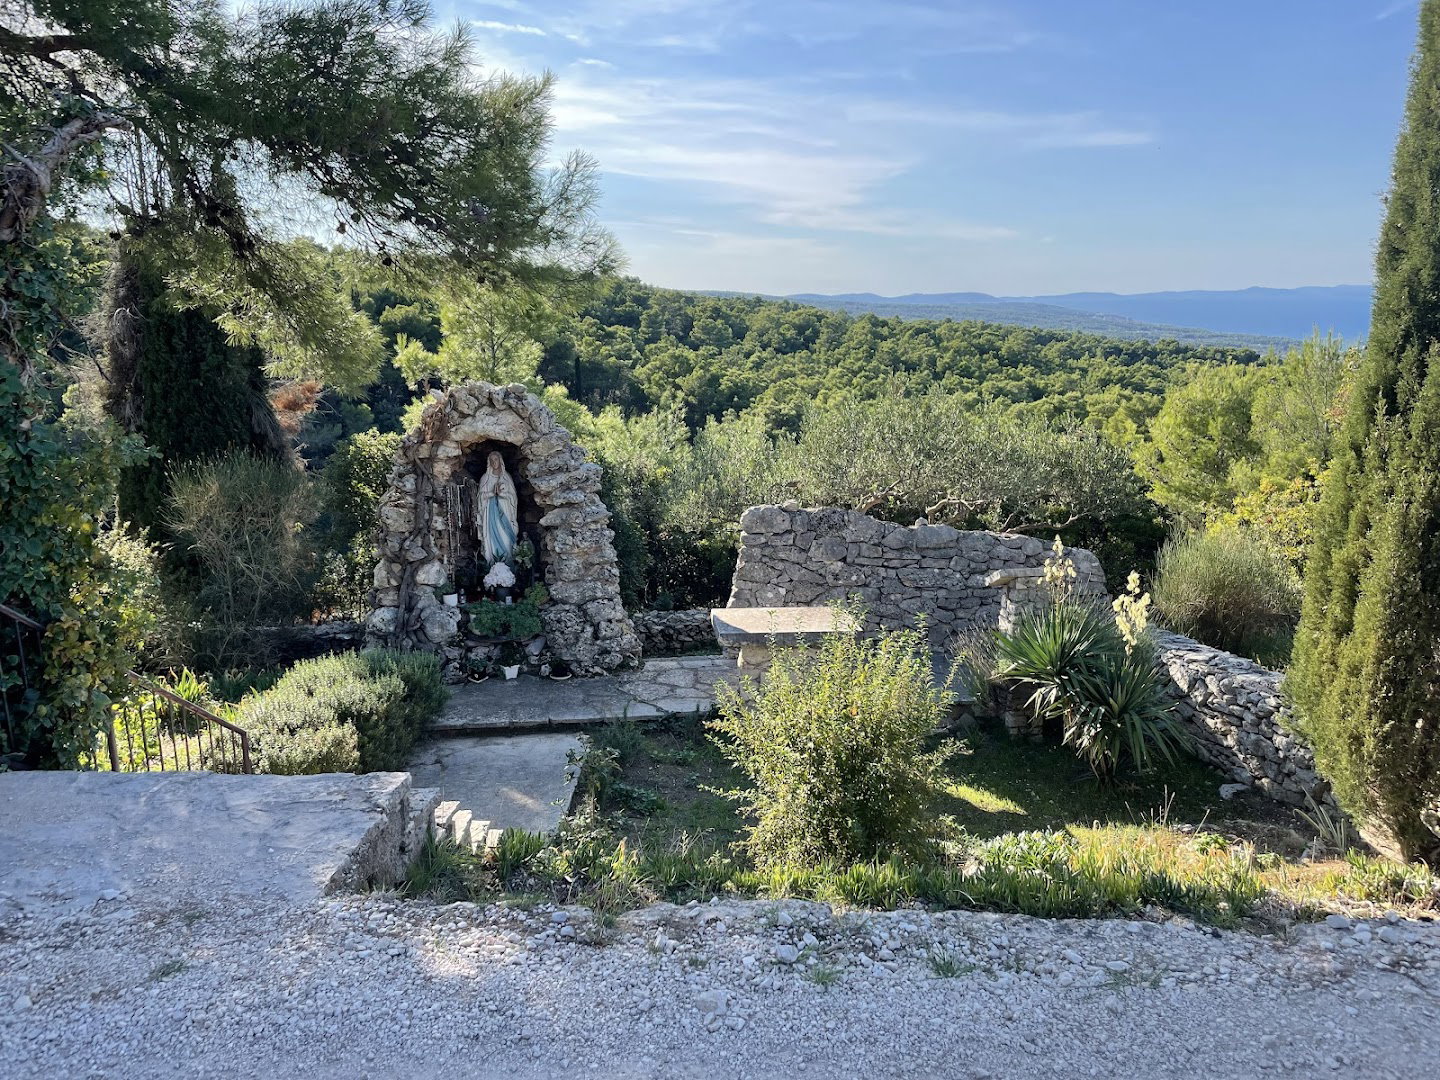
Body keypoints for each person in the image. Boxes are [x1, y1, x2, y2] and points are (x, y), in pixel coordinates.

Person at [476, 450, 517, 565]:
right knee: (491, 539)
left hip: (506, 511)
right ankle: (492, 565)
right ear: (489, 462)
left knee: (506, 537)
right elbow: (480, 498)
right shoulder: (485, 478)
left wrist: (502, 494)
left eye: (496, 459)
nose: (494, 462)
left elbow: (513, 498)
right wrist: (492, 494)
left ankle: (508, 563)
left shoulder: (506, 478)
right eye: (491, 460)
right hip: (490, 513)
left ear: (500, 461)